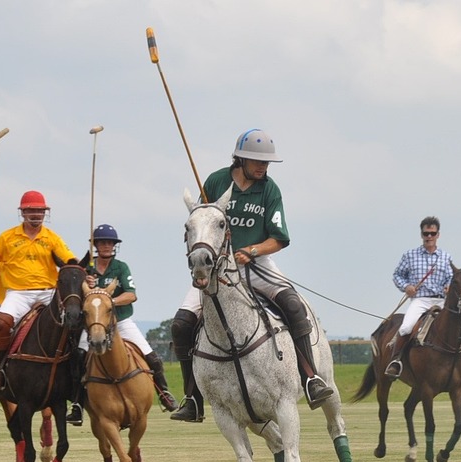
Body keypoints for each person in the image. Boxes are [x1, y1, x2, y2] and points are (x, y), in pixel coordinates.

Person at [169, 129, 335, 423]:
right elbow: (200, 222)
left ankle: (310, 379)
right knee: (182, 324)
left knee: (294, 306)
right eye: (258, 162)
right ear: (241, 159)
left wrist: (254, 250)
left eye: (267, 163)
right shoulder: (215, 181)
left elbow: (280, 238)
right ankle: (193, 398)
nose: (263, 167)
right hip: (216, 269)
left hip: (256, 264)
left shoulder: (269, 189)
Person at [66, 224, 179, 426]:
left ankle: (164, 393)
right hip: (94, 325)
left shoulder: (121, 267)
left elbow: (131, 295)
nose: (107, 246)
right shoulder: (87, 270)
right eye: (102, 242)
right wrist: (87, 287)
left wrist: (108, 301)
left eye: (110, 242)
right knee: (78, 357)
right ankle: (77, 405)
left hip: (121, 321)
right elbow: (76, 297)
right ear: (96, 245)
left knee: (152, 358)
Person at [0, 190, 78, 393]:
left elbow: (70, 260)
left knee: (75, 321)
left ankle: (76, 372)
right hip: (18, 294)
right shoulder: (7, 237)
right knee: (0, 324)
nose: (36, 215)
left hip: (48, 292)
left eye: (40, 211)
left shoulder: (53, 238)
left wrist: (82, 271)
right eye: (31, 211)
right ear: (23, 212)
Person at [385, 216, 461, 384]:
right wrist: (406, 287)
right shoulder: (410, 255)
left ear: (438, 235)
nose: (429, 237)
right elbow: (397, 275)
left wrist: (449, 286)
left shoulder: (446, 257)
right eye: (426, 233)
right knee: (406, 327)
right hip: (420, 300)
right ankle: (396, 362)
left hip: (441, 301)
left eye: (432, 233)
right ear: (421, 234)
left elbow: (452, 278)